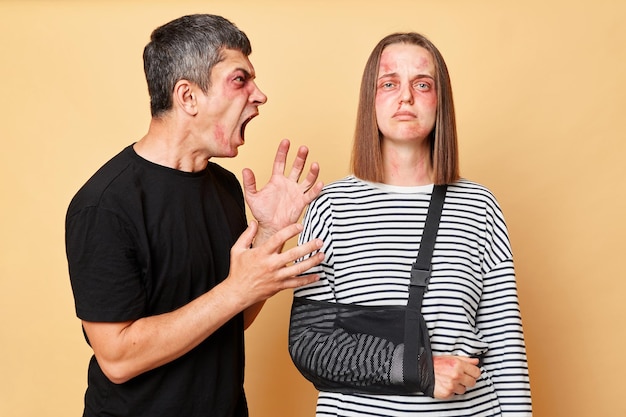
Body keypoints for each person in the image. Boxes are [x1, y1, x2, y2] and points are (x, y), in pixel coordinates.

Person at [65, 14, 325, 417]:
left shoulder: (223, 188)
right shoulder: (105, 205)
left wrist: (268, 234)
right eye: (240, 80)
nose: (260, 95)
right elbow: (118, 359)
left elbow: (228, 320)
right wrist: (237, 289)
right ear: (187, 97)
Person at [288, 32, 532, 416]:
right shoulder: (330, 206)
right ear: (371, 100)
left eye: (422, 84)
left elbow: (506, 349)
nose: (406, 97)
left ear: (441, 102)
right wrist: (420, 368)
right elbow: (310, 344)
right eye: (389, 83)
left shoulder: (480, 206)